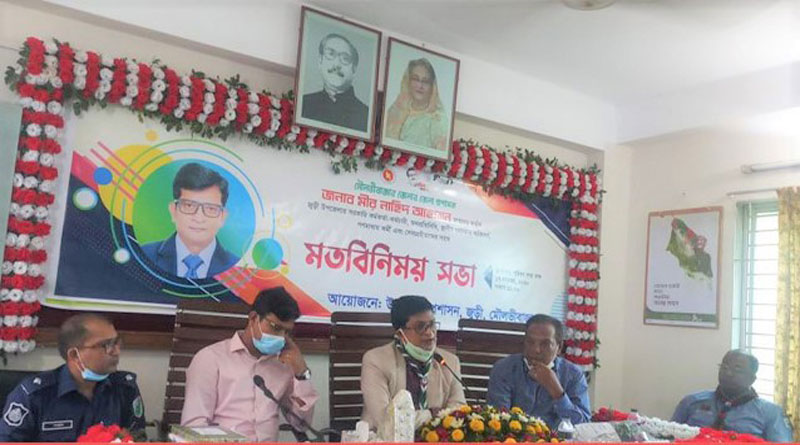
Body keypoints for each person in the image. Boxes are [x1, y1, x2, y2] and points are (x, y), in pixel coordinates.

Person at [181, 287, 318, 441]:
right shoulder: (210, 359)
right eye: (276, 328)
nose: (281, 337)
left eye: (287, 332)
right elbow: (194, 427)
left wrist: (302, 373)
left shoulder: (283, 365)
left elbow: (301, 425)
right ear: (253, 319)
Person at [0, 314, 145, 441]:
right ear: (75, 355)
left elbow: (137, 437)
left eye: (116, 343)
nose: (116, 351)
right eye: (106, 345)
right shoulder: (33, 395)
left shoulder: (125, 389)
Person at [360, 295, 465, 430]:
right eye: (420, 327)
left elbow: (459, 414)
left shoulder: (449, 362)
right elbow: (386, 421)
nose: (430, 333)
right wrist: (432, 414)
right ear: (400, 334)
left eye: (432, 324)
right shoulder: (376, 361)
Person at [487, 314, 591, 428]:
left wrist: (557, 393)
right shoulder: (504, 369)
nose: (536, 350)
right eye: (530, 342)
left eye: (545, 344)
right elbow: (498, 419)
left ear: (559, 347)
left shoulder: (573, 375)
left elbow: (583, 425)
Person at [140, 162, 239, 279]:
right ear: (173, 211)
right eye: (189, 206)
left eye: (210, 208)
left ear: (222, 217)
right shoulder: (144, 256)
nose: (198, 218)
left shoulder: (238, 267)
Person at [672, 350, 793, 442]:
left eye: (737, 370)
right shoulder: (691, 402)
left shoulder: (771, 413)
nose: (728, 373)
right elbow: (667, 437)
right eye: (724, 368)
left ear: (752, 379)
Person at [301, 33, 369, 132]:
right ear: (320, 60)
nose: (336, 64)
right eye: (331, 54)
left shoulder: (365, 115)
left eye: (345, 58)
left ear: (354, 69)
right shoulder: (304, 103)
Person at [384, 58, 449, 153]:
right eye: (415, 79)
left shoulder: (438, 119)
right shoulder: (395, 110)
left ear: (432, 86)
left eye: (425, 81)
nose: (420, 86)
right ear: (408, 81)